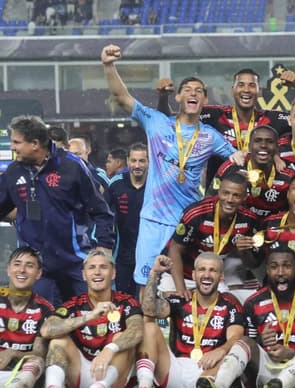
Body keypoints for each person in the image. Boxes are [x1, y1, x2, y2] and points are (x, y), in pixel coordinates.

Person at [101, 44, 236, 293]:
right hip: (153, 219)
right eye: (187, 89)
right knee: (147, 285)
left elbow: (238, 159)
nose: (193, 93)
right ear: (179, 97)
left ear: (205, 100)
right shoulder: (156, 122)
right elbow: (122, 98)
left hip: (187, 221)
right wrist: (109, 66)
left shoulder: (211, 136)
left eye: (199, 91)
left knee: (187, 286)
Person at [0, 115, 115, 304]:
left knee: (88, 321)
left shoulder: (71, 166)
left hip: (76, 262)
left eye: (16, 142)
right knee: (42, 325)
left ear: (35, 144)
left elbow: (100, 210)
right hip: (35, 267)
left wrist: (104, 248)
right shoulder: (14, 172)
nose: (12, 147)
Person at [196, 247, 295, 388]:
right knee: (244, 342)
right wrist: (261, 340)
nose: (280, 272)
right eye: (274, 266)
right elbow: (250, 349)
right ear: (267, 269)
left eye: (286, 266)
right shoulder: (254, 302)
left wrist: (291, 353)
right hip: (266, 371)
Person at [30, 250, 143, 388]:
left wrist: (109, 350)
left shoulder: (127, 302)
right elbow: (47, 330)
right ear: (84, 275)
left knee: (122, 337)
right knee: (58, 339)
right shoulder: (74, 305)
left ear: (113, 273)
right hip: (81, 377)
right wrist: (88, 317)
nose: (97, 272)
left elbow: (137, 331)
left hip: (113, 383)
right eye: (91, 268)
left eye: (103, 267)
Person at [133, 253, 245, 388]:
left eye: (213, 270)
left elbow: (237, 338)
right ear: (193, 274)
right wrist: (155, 273)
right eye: (202, 270)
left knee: (235, 352)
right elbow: (149, 310)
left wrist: (220, 350)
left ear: (221, 276)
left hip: (207, 373)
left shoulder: (230, 304)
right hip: (177, 369)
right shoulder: (181, 300)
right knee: (149, 326)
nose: (206, 275)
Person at [166, 170, 260, 303]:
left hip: (215, 277)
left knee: (228, 308)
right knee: (170, 307)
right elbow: (175, 248)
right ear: (219, 191)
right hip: (185, 275)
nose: (230, 200)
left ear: (245, 197)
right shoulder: (196, 214)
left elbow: (252, 264)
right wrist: (181, 288)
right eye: (225, 193)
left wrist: (243, 252)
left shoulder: (248, 220)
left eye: (236, 195)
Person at [0, 247, 53, 388]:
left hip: (21, 375)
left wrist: (13, 353)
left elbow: (39, 352)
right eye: (17, 264)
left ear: (38, 273)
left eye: (29, 265)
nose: (22, 270)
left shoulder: (45, 309)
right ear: (8, 270)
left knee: (36, 362)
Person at [211, 125, 291, 220]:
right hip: (236, 228)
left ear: (277, 147)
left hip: (270, 230)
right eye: (257, 141)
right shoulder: (231, 168)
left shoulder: (288, 177)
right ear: (249, 146)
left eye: (269, 142)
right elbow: (210, 200)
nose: (263, 145)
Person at [106, 142, 148, 296]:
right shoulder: (116, 184)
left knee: (147, 300)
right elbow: (103, 214)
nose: (137, 165)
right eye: (134, 161)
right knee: (124, 299)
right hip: (123, 253)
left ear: (148, 162)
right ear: (128, 161)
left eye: (142, 161)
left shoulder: (155, 185)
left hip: (150, 254)